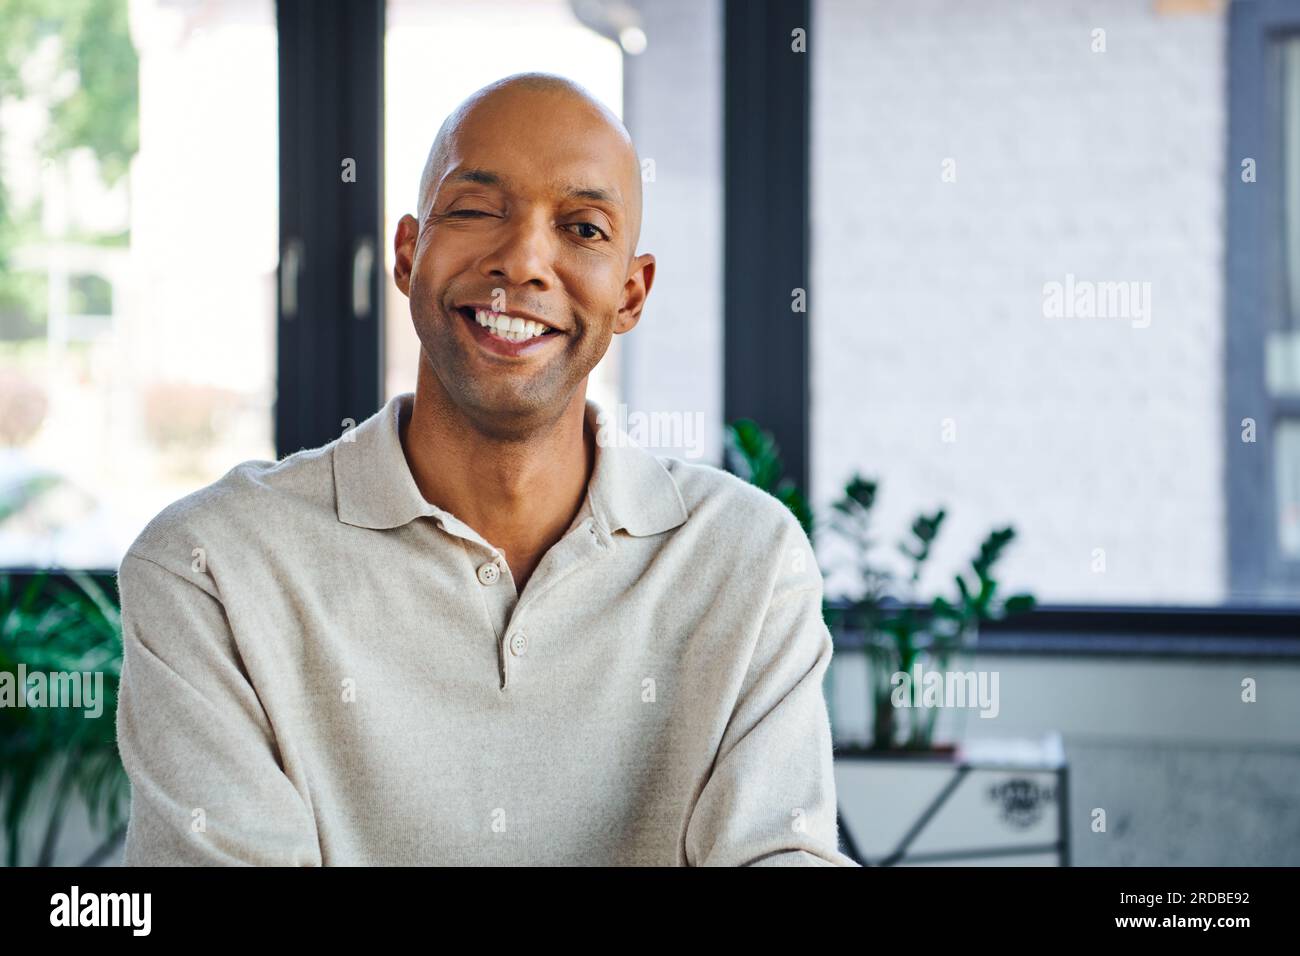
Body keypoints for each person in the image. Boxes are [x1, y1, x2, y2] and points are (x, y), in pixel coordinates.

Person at [114, 72, 857, 866]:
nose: (523, 262)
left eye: (583, 229)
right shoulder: (211, 566)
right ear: (409, 254)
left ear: (632, 295)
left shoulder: (748, 560)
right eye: (474, 211)